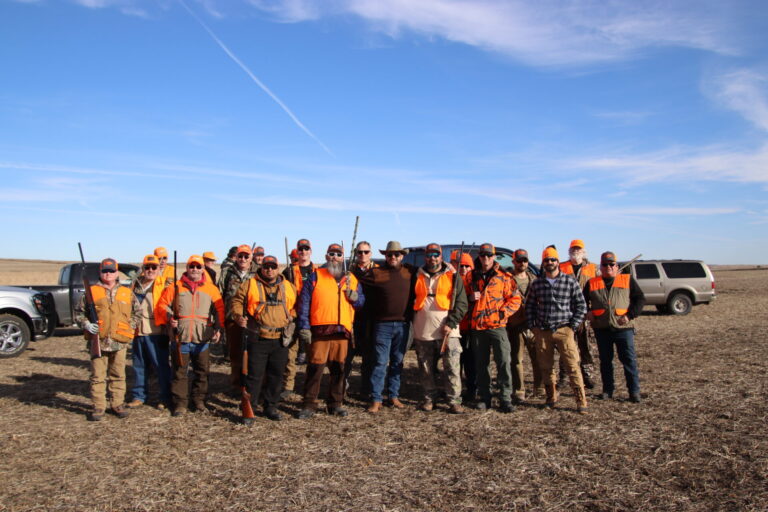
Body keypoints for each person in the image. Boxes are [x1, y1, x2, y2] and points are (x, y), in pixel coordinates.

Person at [296, 244, 364, 418]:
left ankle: (335, 404)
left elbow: (361, 302)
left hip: (342, 331)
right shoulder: (315, 276)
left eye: (338, 254)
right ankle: (309, 405)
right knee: (315, 369)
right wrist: (304, 326)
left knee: (339, 370)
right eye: (331, 254)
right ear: (326, 257)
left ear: (343, 258)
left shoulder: (351, 279)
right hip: (320, 331)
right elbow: (304, 304)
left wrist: (355, 298)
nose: (335, 257)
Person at [231, 255, 297, 423]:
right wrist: (238, 316)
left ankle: (271, 407)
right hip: (258, 337)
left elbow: (296, 305)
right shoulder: (250, 284)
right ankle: (250, 408)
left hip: (280, 338)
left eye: (273, 266)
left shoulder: (288, 286)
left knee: (276, 375)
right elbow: (237, 301)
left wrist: (291, 317)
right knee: (254, 375)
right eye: (266, 266)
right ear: (261, 267)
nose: (269, 270)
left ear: (277, 267)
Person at [156, 255, 225, 416]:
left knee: (202, 372)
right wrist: (170, 318)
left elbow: (220, 310)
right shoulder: (175, 287)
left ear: (203, 269)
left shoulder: (211, 289)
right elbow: (162, 305)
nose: (195, 269)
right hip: (181, 337)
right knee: (180, 372)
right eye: (191, 266)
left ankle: (199, 401)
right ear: (187, 268)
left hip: (202, 338)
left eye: (198, 266)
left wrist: (217, 328)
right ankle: (180, 403)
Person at [526, 246, 589, 413]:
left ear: (558, 262)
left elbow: (581, 305)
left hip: (564, 330)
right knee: (546, 366)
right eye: (546, 260)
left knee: (572, 365)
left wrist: (572, 327)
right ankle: (551, 397)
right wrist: (534, 327)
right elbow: (530, 306)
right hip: (543, 331)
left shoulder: (569, 281)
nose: (549, 262)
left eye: (552, 259)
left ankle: (580, 400)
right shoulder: (537, 284)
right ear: (542, 263)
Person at [76, 258, 140, 421]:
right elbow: (79, 313)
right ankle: (98, 406)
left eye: (111, 271)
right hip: (99, 340)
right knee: (97, 376)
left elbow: (137, 313)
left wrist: (129, 327)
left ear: (116, 272)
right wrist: (87, 324)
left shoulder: (126, 292)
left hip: (120, 340)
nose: (108, 274)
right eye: (105, 271)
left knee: (118, 374)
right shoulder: (91, 292)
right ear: (100, 272)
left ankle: (117, 404)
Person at [359, 241, 417, 413]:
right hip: (382, 325)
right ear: (385, 256)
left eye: (396, 254)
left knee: (397, 362)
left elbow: (431, 272)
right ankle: (376, 398)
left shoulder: (410, 272)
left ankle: (393, 396)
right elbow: (357, 284)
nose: (393, 257)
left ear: (402, 256)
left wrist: (448, 267)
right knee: (380, 362)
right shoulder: (376, 273)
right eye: (390, 254)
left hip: (403, 325)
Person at [465, 243, 522, 413]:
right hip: (478, 327)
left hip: (497, 326)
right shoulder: (470, 276)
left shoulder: (504, 277)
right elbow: (462, 298)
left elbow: (515, 299)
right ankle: (485, 397)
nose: (486, 258)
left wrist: (503, 313)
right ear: (479, 257)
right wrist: (470, 297)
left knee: (504, 362)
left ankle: (505, 398)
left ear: (494, 257)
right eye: (483, 255)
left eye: (489, 255)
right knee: (481, 365)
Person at [412, 243, 468, 413]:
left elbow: (462, 303)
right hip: (423, 330)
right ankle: (429, 398)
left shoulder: (453, 276)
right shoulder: (416, 275)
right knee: (426, 367)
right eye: (429, 255)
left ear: (441, 256)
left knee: (452, 366)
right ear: (425, 256)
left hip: (448, 331)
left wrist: (451, 323)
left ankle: (454, 400)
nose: (433, 258)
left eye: (436, 254)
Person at [584, 251, 645, 403]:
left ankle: (634, 392)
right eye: (605, 264)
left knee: (629, 361)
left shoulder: (627, 280)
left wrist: (630, 315)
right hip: (602, 328)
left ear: (617, 266)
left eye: (611, 264)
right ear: (601, 266)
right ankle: (607, 390)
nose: (608, 267)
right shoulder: (592, 283)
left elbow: (640, 299)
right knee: (605, 361)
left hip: (623, 328)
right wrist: (588, 312)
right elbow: (581, 301)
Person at [127, 255, 172, 410]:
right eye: (148, 267)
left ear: (159, 268)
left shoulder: (165, 285)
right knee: (139, 366)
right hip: (137, 331)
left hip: (156, 331)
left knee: (161, 366)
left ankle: (165, 397)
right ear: (143, 268)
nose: (151, 270)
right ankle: (139, 396)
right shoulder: (134, 285)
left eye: (154, 267)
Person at [280, 238, 318, 397]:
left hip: (312, 317)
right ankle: (288, 386)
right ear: (297, 251)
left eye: (306, 248)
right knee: (290, 354)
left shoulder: (318, 271)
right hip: (293, 317)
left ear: (311, 251)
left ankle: (310, 386)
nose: (303, 252)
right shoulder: (288, 272)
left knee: (313, 354)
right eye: (300, 249)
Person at [559, 239, 598, 389]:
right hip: (566, 314)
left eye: (579, 249)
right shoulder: (562, 267)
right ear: (569, 251)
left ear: (583, 251)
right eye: (573, 249)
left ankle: (588, 376)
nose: (576, 251)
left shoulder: (593, 268)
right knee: (565, 346)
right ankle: (563, 376)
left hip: (586, 315)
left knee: (587, 347)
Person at [219, 244, 259, 393]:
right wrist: (220, 320)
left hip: (253, 322)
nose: (243, 259)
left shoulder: (258, 273)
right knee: (235, 355)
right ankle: (237, 386)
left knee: (253, 355)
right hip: (232, 320)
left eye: (246, 256)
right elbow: (219, 296)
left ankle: (252, 386)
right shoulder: (227, 272)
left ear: (251, 258)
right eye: (240, 256)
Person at [344, 240, 379, 398]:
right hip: (352, 318)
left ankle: (366, 390)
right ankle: (342, 388)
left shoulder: (379, 270)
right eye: (360, 252)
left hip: (371, 319)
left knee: (369, 357)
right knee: (347, 355)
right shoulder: (349, 271)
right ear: (355, 254)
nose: (363, 255)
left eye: (366, 252)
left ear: (371, 254)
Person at [505, 249, 541, 401]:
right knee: (517, 360)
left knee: (537, 358)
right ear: (513, 262)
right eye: (519, 260)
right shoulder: (507, 279)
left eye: (525, 260)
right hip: (515, 324)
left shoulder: (535, 279)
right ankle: (519, 390)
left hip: (533, 324)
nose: (522, 263)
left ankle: (539, 388)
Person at [450, 249, 476, 402]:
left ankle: (471, 390)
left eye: (467, 266)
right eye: (461, 266)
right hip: (455, 327)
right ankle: (455, 391)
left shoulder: (476, 281)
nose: (464, 269)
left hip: (470, 328)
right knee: (454, 363)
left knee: (470, 362)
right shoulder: (451, 279)